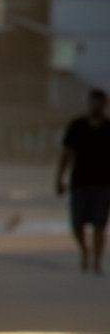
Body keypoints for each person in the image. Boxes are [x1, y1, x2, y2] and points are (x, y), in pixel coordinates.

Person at [57, 89, 110, 275]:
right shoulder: (77, 126)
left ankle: (96, 261)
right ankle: (85, 250)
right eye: (92, 102)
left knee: (99, 225)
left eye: (99, 102)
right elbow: (66, 154)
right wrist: (59, 178)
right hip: (79, 183)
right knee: (77, 224)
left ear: (105, 104)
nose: (95, 106)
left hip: (103, 184)